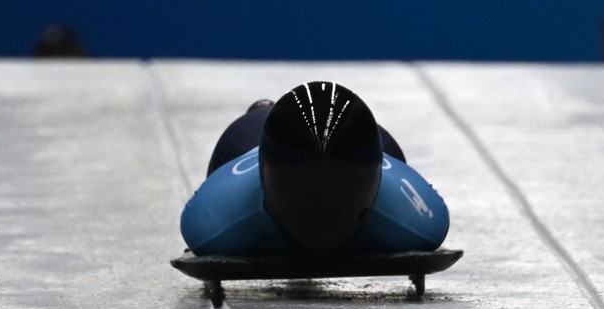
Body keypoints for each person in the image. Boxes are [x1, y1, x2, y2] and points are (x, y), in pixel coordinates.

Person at [180, 81, 450, 257]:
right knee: (240, 139)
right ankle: (262, 113)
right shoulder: (212, 218)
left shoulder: (207, 225)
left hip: (377, 169)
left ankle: (264, 114)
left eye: (337, 192)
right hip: (249, 159)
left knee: (388, 149)